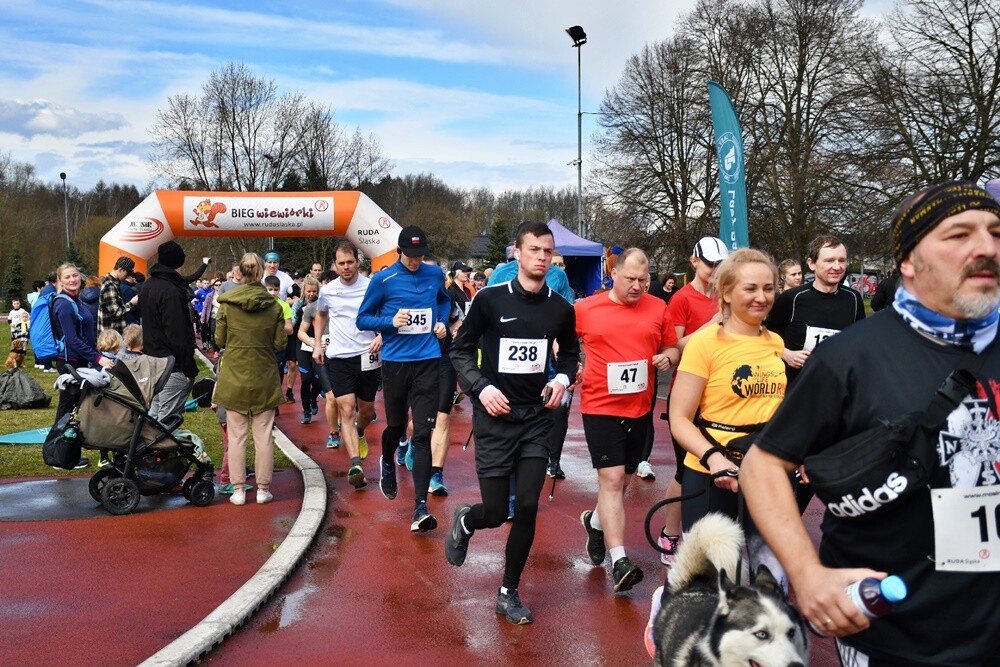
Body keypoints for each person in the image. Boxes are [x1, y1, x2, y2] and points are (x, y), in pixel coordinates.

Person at [741, 180, 1000, 665]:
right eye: (959, 234)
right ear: (909, 262)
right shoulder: (850, 357)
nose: (987, 247)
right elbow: (763, 465)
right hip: (897, 632)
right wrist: (806, 574)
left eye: (996, 232)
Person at [446, 221, 580, 625]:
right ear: (517, 254)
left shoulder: (561, 308)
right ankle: (467, 519)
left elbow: (569, 354)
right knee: (493, 511)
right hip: (494, 418)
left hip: (536, 419)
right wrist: (481, 387)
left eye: (547, 251)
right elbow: (459, 351)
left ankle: (509, 591)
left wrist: (561, 379)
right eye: (534, 249)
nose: (542, 257)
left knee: (525, 506)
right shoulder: (489, 300)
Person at [669, 248, 787, 584]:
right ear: (727, 293)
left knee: (769, 579)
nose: (761, 297)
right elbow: (679, 418)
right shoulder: (705, 344)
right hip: (711, 473)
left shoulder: (776, 343)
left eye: (768, 288)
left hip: (763, 472)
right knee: (707, 581)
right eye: (750, 288)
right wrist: (714, 459)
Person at [575, 248, 679, 592]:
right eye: (631, 279)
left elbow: (672, 347)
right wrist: (569, 366)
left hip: (640, 408)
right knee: (612, 479)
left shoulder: (658, 307)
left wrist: (668, 358)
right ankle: (619, 560)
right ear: (613, 274)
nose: (637, 286)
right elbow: (561, 342)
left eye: (643, 280)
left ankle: (595, 522)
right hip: (599, 406)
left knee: (626, 478)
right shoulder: (586, 309)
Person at [356, 225, 450, 532]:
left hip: (427, 361)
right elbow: (362, 319)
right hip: (396, 364)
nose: (415, 260)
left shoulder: (434, 274)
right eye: (410, 255)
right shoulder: (382, 280)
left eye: (420, 255)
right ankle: (387, 460)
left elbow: (444, 301)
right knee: (396, 426)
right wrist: (390, 322)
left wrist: (441, 321)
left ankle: (420, 507)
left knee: (422, 434)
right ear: (399, 252)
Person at [654, 237, 729, 565]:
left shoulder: (727, 294)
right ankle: (670, 533)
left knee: (719, 469)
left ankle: (710, 537)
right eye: (710, 264)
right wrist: (711, 326)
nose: (715, 270)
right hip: (688, 393)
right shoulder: (682, 298)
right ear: (694, 261)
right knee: (686, 470)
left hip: (721, 394)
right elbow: (674, 346)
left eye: (720, 265)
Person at [214, 252, 287, 506]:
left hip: (234, 374)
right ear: (261, 272)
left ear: (241, 273)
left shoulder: (227, 305)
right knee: (264, 436)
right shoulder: (274, 306)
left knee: (237, 437)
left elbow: (219, 340)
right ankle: (263, 489)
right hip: (264, 373)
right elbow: (280, 343)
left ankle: (238, 490)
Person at [312, 241, 382, 488]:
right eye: (341, 263)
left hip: (367, 354)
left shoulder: (371, 286)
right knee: (347, 409)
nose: (346, 267)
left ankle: (360, 432)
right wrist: (318, 343)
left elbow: (385, 312)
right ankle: (355, 464)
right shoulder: (328, 291)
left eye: (350, 262)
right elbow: (321, 314)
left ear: (357, 262)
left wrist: (381, 336)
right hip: (339, 357)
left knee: (366, 410)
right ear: (334, 265)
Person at [765, 236, 866, 386]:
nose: (837, 267)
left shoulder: (853, 298)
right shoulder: (791, 298)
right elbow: (763, 334)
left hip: (836, 388)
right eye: (829, 261)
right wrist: (786, 354)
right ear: (811, 264)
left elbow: (860, 343)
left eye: (842, 260)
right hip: (796, 388)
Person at [50, 263, 115, 468]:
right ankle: (58, 455)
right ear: (60, 281)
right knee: (67, 409)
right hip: (70, 363)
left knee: (72, 408)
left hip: (78, 361)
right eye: (67, 277)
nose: (72, 280)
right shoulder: (64, 304)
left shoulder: (75, 300)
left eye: (75, 275)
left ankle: (63, 453)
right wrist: (98, 358)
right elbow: (72, 340)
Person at [140, 241, 198, 423]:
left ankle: (147, 440)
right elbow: (177, 333)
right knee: (166, 419)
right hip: (172, 365)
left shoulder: (148, 285)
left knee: (156, 413)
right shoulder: (171, 291)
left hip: (153, 361)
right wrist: (188, 367)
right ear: (179, 261)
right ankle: (157, 442)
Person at [294, 276, 322, 424]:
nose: (311, 294)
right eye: (309, 291)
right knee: (306, 379)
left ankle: (313, 398)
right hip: (303, 345)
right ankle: (306, 411)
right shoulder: (299, 304)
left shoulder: (321, 304)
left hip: (319, 344)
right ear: (304, 290)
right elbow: (292, 321)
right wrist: (300, 312)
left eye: (314, 291)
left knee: (318, 381)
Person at [98, 257, 139, 334]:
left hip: (112, 335)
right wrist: (132, 303)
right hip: (110, 337)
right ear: (120, 270)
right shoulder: (109, 285)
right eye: (127, 274)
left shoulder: (113, 284)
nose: (127, 276)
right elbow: (115, 313)